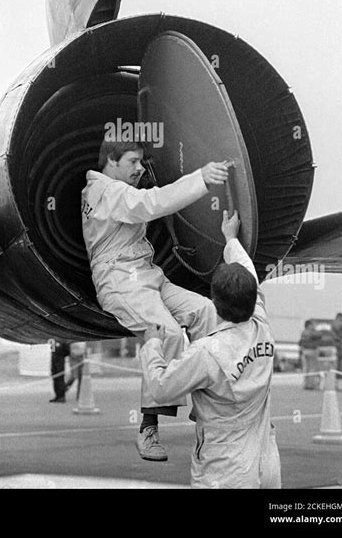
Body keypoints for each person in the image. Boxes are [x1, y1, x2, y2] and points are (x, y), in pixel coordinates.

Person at [81, 138, 228, 461]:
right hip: (119, 280)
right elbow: (151, 204)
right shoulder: (105, 191)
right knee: (167, 334)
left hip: (147, 274)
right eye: (132, 162)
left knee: (207, 312)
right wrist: (201, 177)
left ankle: (206, 403)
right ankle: (148, 427)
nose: (138, 168)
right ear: (112, 161)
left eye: (141, 162)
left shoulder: (112, 189)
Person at [140, 209, 281, 489]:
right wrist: (231, 240)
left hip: (225, 467)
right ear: (253, 298)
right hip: (266, 457)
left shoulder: (207, 352)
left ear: (215, 303)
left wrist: (152, 345)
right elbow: (247, 270)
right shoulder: (261, 325)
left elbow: (161, 387)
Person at [298, 320, 321, 389]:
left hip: (305, 351)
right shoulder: (311, 332)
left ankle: (306, 384)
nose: (314, 326)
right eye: (313, 325)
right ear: (309, 325)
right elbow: (319, 335)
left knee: (306, 368)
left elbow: (301, 342)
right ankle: (311, 384)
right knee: (312, 368)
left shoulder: (303, 332)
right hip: (312, 350)